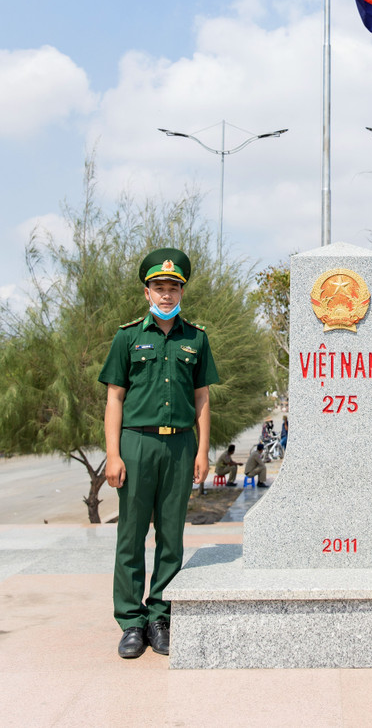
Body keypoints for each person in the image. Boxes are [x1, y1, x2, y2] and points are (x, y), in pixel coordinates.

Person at [99, 248, 220, 659]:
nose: (166, 294)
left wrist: (202, 451)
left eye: (173, 287)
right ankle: (131, 622)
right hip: (136, 444)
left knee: (171, 536)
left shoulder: (196, 338)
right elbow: (115, 397)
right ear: (146, 292)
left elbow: (202, 398)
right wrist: (113, 454)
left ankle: (159, 616)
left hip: (180, 446)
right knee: (131, 535)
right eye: (158, 287)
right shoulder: (128, 337)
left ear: (182, 291)